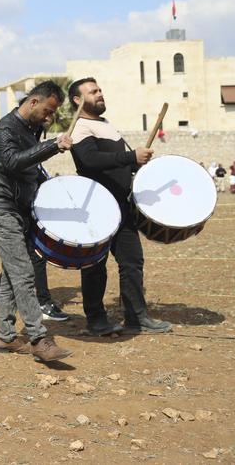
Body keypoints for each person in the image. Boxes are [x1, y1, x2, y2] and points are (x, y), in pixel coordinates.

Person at [69, 78, 172, 336]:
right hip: (96, 208)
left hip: (121, 207)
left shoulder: (105, 124)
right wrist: (130, 156)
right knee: (95, 266)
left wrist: (136, 163)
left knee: (132, 262)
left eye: (100, 89)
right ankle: (96, 320)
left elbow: (116, 164)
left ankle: (137, 317)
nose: (100, 94)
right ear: (77, 100)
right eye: (93, 92)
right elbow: (89, 160)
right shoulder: (81, 127)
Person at [0, 81, 73, 362]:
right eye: (47, 111)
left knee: (11, 276)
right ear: (33, 102)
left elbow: (31, 169)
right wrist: (53, 146)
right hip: (0, 209)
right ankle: (38, 338)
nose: (49, 117)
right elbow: (11, 161)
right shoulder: (6, 128)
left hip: (17, 210)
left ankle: (5, 337)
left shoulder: (30, 131)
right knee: (23, 274)